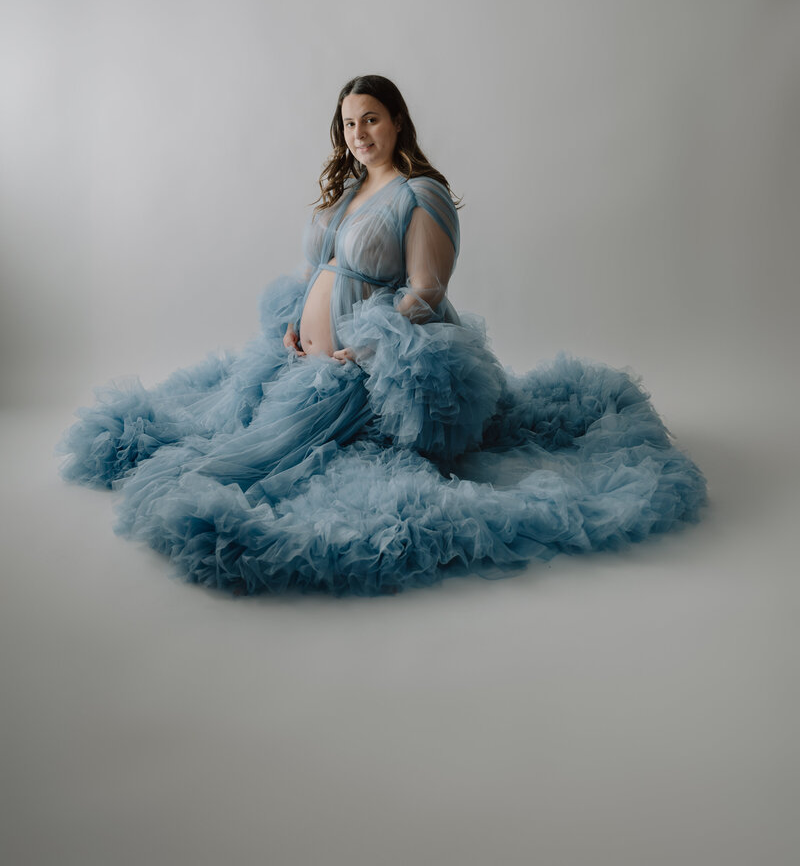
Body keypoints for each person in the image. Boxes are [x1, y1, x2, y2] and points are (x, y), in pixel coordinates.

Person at [56, 75, 709, 596]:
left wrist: (372, 344)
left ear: (396, 121)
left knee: (262, 463)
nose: (359, 131)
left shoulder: (419, 194)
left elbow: (426, 290)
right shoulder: (348, 191)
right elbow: (319, 269)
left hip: (365, 362)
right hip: (309, 354)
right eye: (348, 121)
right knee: (218, 415)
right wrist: (294, 323)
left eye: (370, 117)